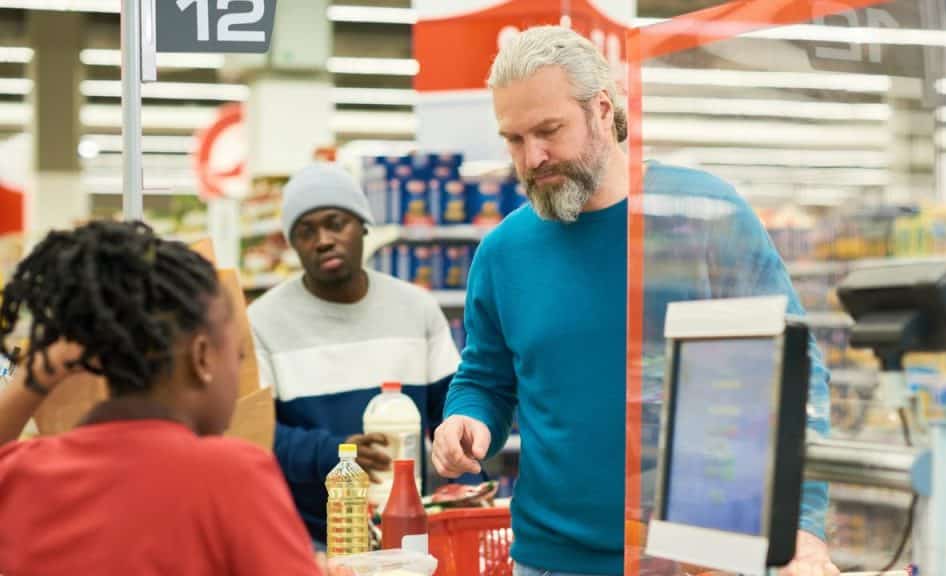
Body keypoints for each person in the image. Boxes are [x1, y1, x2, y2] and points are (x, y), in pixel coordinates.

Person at [432, 26, 838, 576]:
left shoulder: (704, 215)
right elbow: (486, 376)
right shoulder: (504, 252)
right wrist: (467, 419)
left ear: (602, 110)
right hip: (552, 560)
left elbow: (792, 370)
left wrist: (803, 527)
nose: (532, 158)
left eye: (549, 130)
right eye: (514, 139)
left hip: (701, 556)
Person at [0, 221, 329, 576]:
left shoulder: (22, 474)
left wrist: (40, 369)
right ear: (202, 357)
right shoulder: (231, 475)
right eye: (238, 355)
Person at [248, 163, 462, 546]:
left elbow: (452, 419)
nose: (324, 240)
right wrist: (337, 453)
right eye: (306, 231)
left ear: (363, 226)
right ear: (292, 244)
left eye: (336, 223)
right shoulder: (262, 322)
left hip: (408, 532)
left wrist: (464, 505)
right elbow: (258, 436)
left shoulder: (416, 309)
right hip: (310, 539)